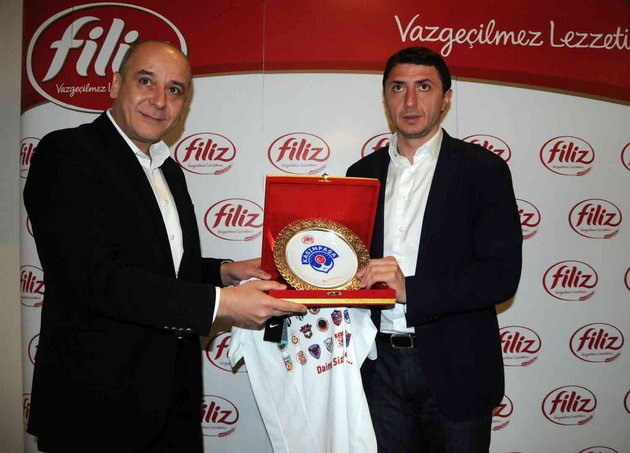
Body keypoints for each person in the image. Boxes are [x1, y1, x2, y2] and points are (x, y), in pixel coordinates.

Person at [24, 40, 306, 452]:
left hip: (173, 397)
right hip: (97, 405)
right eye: (146, 81)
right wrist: (222, 303)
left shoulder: (168, 169)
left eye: (175, 90)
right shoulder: (68, 152)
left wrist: (224, 272)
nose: (160, 101)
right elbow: (96, 278)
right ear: (115, 84)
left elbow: (164, 267)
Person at [346, 46, 522, 452]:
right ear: (385, 97)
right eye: (398, 88)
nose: (410, 101)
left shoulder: (484, 170)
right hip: (377, 369)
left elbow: (500, 276)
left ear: (446, 99)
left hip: (457, 369)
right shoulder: (360, 175)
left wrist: (409, 289)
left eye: (424, 87)